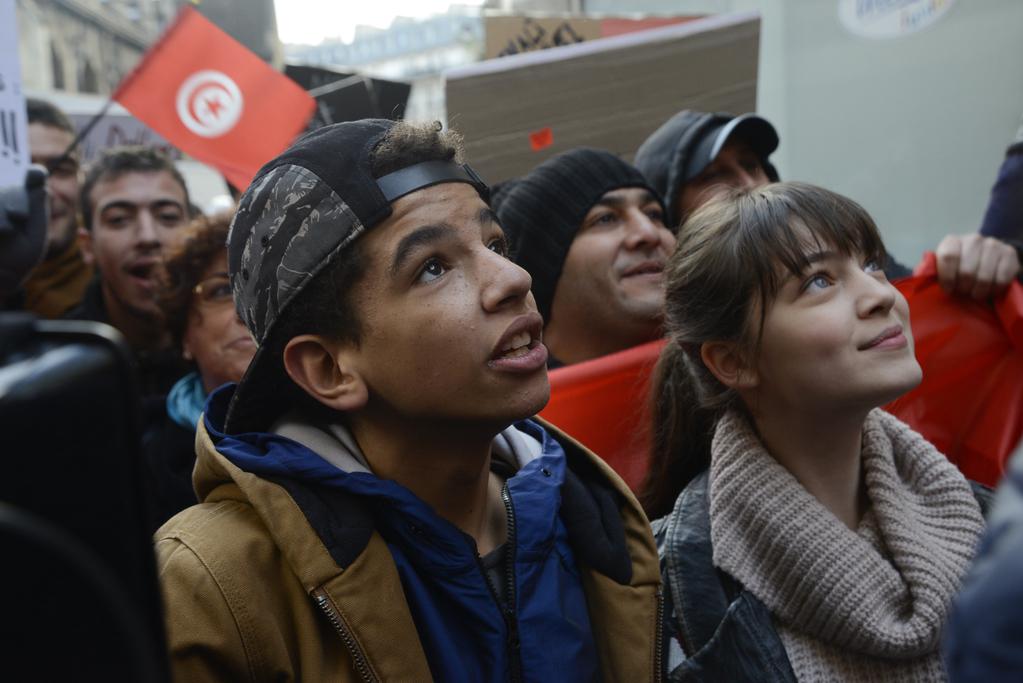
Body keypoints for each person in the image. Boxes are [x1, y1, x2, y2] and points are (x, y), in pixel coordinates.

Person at [155, 120, 660, 681]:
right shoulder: (213, 589)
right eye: (434, 268)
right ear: (329, 368)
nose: (513, 278)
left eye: (495, 244)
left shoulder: (591, 510)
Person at [646, 182, 988, 680]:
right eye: (819, 282)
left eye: (871, 264)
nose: (880, 294)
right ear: (734, 360)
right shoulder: (662, 595)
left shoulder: (992, 522)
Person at [634, 110, 1021, 298]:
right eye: (713, 176)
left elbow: (921, 302)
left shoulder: (843, 252)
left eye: (751, 165)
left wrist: (985, 265)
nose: (748, 183)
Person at [497, 148, 675, 366]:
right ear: (545, 273)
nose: (649, 233)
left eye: (653, 214)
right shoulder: (507, 400)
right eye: (606, 218)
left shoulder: (724, 374)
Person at [142, 212, 255, 530]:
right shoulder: (141, 458)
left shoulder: (351, 429)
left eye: (260, 285)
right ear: (184, 337)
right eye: (221, 291)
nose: (246, 309)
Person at [66, 146, 192, 395]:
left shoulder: (228, 352)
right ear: (87, 246)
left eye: (167, 217)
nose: (148, 236)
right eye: (119, 219)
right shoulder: (58, 358)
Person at [14, 98, 93, 317]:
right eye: (25, 171)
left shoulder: (119, 283)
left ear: (82, 180)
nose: (45, 190)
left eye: (62, 170)